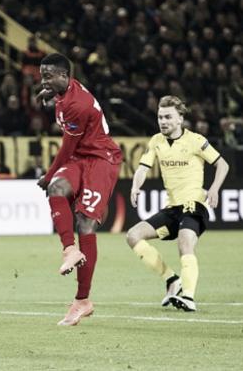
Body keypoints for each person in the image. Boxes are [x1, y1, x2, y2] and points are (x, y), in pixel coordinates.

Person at [37, 53, 122, 326]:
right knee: (57, 188)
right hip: (82, 158)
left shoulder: (77, 104)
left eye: (48, 76)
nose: (44, 80)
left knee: (85, 222)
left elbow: (66, 149)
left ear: (64, 75)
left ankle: (82, 300)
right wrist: (49, 95)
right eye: (42, 76)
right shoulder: (64, 91)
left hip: (100, 159)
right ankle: (69, 250)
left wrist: (47, 175)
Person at [126, 96, 229, 312]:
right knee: (133, 236)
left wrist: (214, 188)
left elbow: (222, 164)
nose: (163, 121)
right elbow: (143, 168)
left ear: (180, 119)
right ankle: (172, 279)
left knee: (185, 243)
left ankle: (189, 297)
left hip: (193, 206)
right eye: (160, 117)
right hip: (172, 209)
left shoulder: (196, 141)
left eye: (168, 117)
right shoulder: (156, 141)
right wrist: (136, 186)